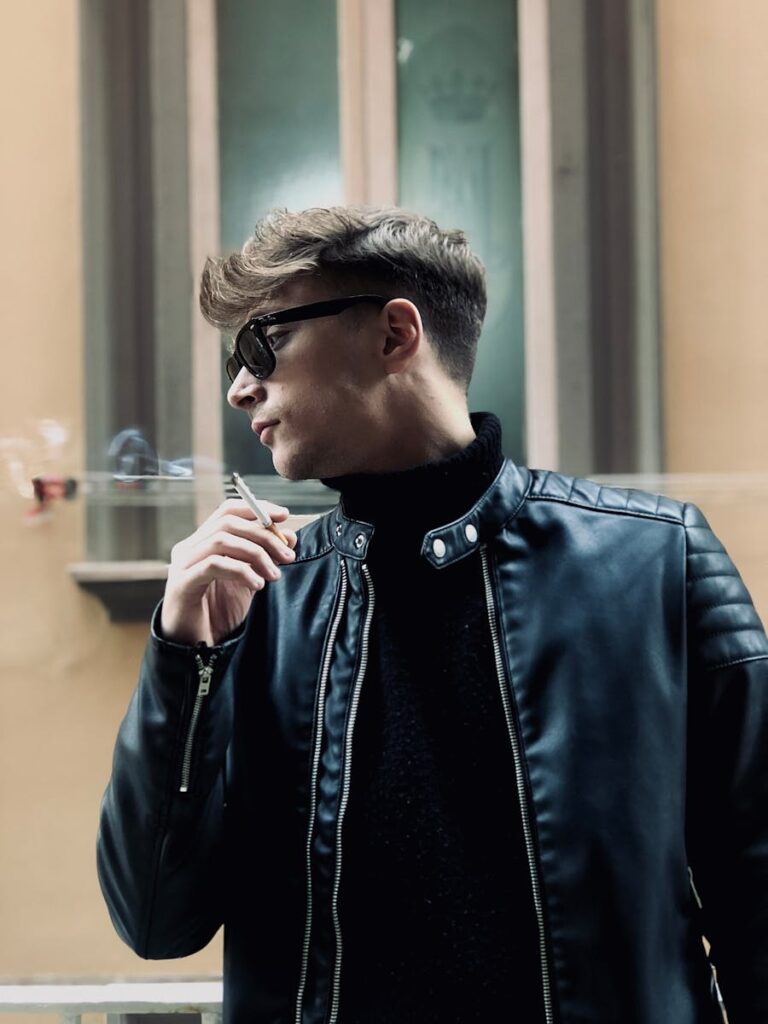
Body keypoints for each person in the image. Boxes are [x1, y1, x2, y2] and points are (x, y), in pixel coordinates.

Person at [97, 206, 768, 1024]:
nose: (241, 386)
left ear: (394, 335)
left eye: (260, 342)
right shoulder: (265, 596)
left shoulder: (656, 563)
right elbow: (157, 923)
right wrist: (183, 657)